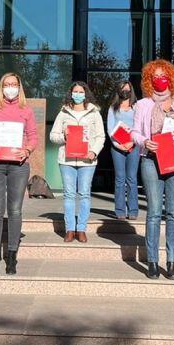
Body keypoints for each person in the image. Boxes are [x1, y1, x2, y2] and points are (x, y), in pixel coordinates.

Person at [131, 59, 174, 280]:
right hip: (151, 161)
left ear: (171, 77)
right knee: (154, 212)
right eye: (155, 76)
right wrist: (145, 141)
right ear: (149, 80)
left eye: (163, 74)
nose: (160, 79)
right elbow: (134, 132)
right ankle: (152, 262)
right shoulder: (142, 105)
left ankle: (172, 261)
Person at [0, 72, 38, 276]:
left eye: (14, 84)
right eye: (7, 84)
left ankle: (12, 255)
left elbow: (33, 136)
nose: (11, 88)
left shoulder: (27, 111)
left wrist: (27, 150)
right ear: (1, 87)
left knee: (15, 210)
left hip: (19, 165)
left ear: (19, 87)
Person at [50, 82, 106, 243]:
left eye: (81, 91)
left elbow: (100, 137)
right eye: (75, 91)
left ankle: (81, 229)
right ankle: (69, 229)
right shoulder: (63, 112)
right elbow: (53, 135)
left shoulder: (94, 112)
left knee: (84, 194)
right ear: (70, 93)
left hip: (87, 161)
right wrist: (64, 137)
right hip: (66, 160)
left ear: (86, 94)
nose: (78, 94)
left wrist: (94, 151)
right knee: (68, 195)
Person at [107, 81, 139, 222]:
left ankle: (133, 210)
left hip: (134, 146)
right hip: (117, 147)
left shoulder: (136, 107)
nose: (125, 91)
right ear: (118, 91)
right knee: (120, 179)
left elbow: (140, 127)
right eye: (122, 89)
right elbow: (110, 129)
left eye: (127, 89)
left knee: (132, 178)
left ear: (131, 90)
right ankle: (120, 211)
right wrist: (118, 145)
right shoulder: (113, 108)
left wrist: (132, 142)